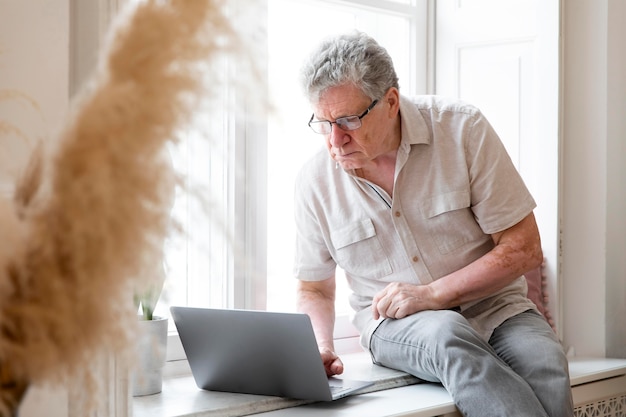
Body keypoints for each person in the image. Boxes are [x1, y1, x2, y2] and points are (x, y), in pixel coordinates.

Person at [293, 31, 574, 417]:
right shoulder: (315, 182)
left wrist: (433, 294)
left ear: (390, 101)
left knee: (545, 362)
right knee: (446, 334)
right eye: (323, 123)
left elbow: (522, 247)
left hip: (496, 305)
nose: (335, 141)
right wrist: (321, 346)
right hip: (394, 326)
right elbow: (314, 289)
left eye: (348, 120)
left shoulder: (462, 129)